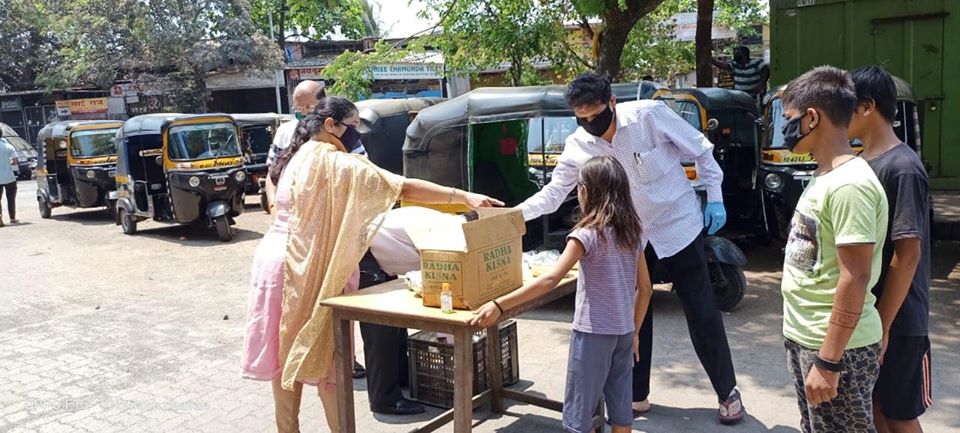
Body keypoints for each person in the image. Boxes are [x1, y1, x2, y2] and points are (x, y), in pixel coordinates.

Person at [241, 96, 503, 433]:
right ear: (330, 125)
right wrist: (461, 196)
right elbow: (401, 186)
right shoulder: (336, 162)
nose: (357, 135)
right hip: (304, 266)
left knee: (283, 356)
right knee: (331, 362)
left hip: (275, 261)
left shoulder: (298, 155)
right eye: (352, 126)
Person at [517, 72, 744, 423]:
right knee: (633, 312)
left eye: (597, 115)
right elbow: (554, 193)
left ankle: (727, 392)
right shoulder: (580, 145)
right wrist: (515, 215)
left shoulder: (649, 116)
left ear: (613, 102)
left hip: (676, 223)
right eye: (583, 119)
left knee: (701, 309)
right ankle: (637, 395)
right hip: (628, 234)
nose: (593, 124)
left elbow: (700, 149)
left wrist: (714, 197)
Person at [473, 156, 651, 433]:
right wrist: (636, 331)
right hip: (624, 333)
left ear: (586, 191)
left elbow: (551, 278)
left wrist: (499, 304)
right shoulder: (634, 232)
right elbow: (646, 288)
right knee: (620, 412)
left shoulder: (587, 234)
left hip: (592, 334)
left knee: (578, 415)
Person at [779, 66, 889, 433]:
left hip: (836, 349)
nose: (785, 130)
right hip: (807, 337)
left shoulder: (849, 186)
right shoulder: (825, 175)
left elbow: (855, 276)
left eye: (789, 119)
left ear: (812, 117)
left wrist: (828, 361)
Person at [848, 66, 932, 433]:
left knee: (899, 415)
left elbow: (908, 253)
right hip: (870, 316)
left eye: (844, 106)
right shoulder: (861, 163)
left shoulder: (903, 167)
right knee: (874, 406)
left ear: (867, 107)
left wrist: (883, 326)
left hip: (899, 319)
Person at [0, 130, 19, 227]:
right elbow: (15, 161)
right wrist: (9, 164)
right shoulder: (8, 146)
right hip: (9, 177)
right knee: (11, 198)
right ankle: (12, 218)